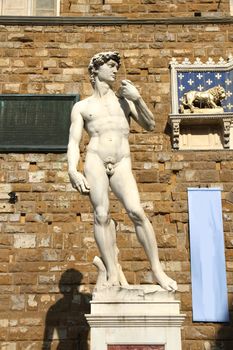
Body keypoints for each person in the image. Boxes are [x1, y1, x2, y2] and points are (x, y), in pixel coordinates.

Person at [67, 51, 177, 291]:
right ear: (96, 70)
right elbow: (74, 142)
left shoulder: (124, 101)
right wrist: (72, 171)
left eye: (116, 66)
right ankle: (112, 272)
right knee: (101, 215)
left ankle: (157, 270)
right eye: (110, 65)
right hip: (95, 160)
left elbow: (149, 126)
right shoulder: (82, 107)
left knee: (137, 212)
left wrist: (138, 99)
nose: (115, 70)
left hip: (121, 162)